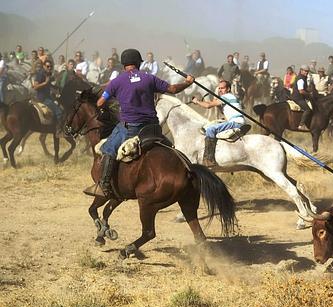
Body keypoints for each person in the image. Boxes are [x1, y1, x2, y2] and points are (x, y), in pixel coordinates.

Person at [94, 48, 195, 198]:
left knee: (108, 149)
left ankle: (104, 185)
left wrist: (113, 93)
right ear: (137, 63)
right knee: (171, 148)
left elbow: (100, 102)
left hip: (130, 128)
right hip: (153, 127)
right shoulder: (149, 78)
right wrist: (188, 82)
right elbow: (173, 89)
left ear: (124, 65)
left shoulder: (116, 81)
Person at [192, 80, 246, 168]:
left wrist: (197, 101)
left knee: (210, 129)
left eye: (223, 88)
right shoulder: (228, 97)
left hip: (236, 122)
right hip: (236, 121)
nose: (220, 90)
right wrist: (216, 102)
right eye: (219, 88)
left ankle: (209, 159)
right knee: (212, 124)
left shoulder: (226, 96)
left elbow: (208, 106)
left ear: (228, 89)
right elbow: (221, 110)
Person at [292, 65, 314, 131]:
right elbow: (301, 91)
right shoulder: (301, 79)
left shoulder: (303, 78)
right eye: (305, 71)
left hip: (299, 97)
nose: (306, 72)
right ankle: (301, 125)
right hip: (298, 98)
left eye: (307, 71)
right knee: (308, 110)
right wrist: (309, 94)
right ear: (301, 70)